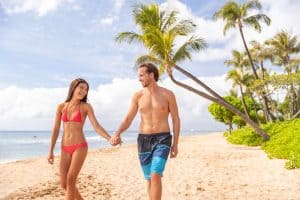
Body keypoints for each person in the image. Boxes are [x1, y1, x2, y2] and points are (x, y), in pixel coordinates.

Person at [111, 63, 180, 200]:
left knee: (156, 174)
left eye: (142, 75)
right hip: (143, 140)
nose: (139, 78)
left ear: (151, 75)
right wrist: (117, 133)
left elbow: (175, 119)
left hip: (163, 139)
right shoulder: (138, 96)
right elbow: (128, 118)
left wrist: (175, 144)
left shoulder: (168, 94)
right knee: (149, 178)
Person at [47, 78, 118, 200]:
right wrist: (51, 151)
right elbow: (56, 130)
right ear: (73, 88)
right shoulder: (61, 107)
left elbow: (96, 126)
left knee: (71, 179)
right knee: (64, 184)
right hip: (64, 147)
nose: (84, 91)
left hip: (79, 146)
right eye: (81, 88)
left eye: (86, 90)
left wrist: (109, 138)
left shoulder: (86, 107)